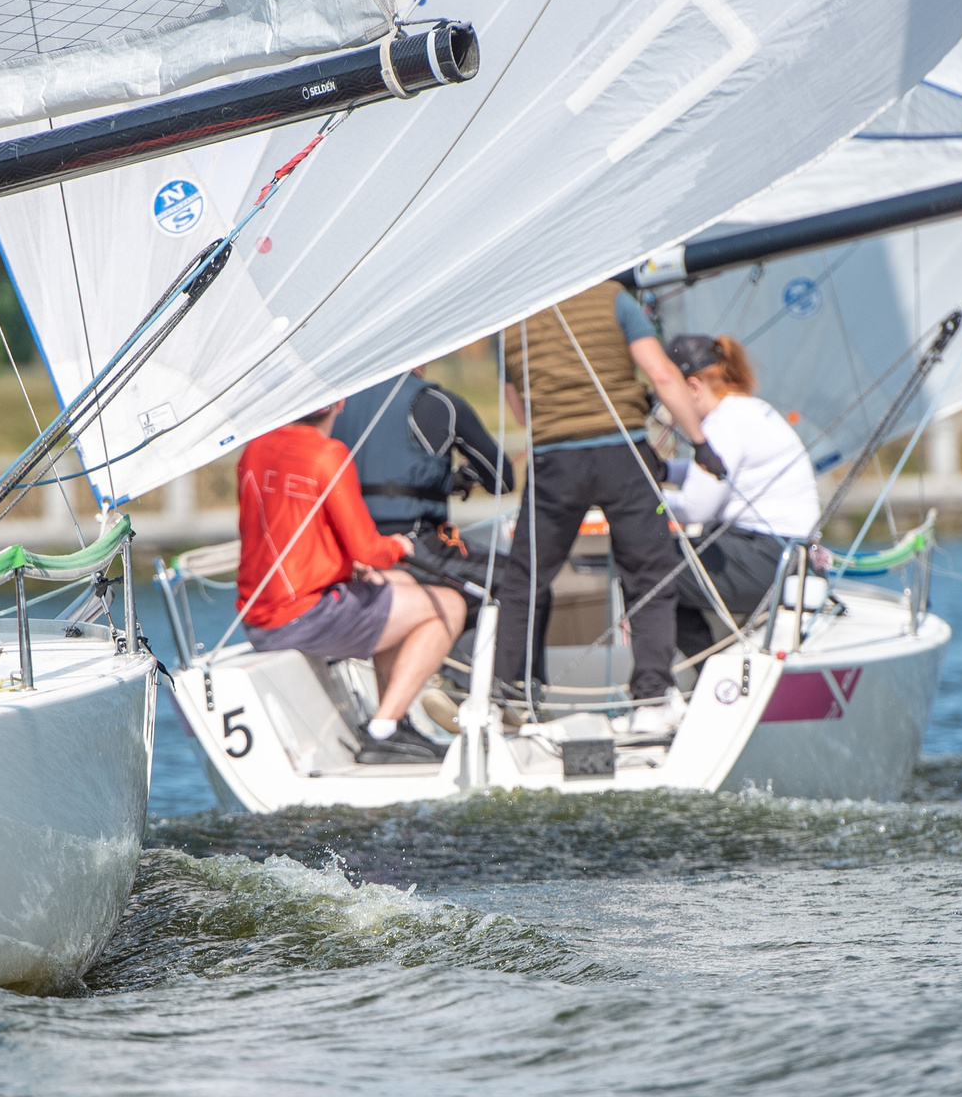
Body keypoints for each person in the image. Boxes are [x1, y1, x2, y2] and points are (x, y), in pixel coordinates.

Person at [492, 280, 725, 739]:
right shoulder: (614, 299)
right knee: (649, 575)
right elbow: (661, 375)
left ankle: (508, 698)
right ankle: (651, 699)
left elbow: (519, 411)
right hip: (621, 451)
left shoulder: (513, 319)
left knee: (526, 579)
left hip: (554, 460)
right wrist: (700, 443)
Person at [235, 400, 469, 765]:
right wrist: (399, 545)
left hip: (259, 619)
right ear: (339, 403)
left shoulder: (255, 448)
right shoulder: (328, 453)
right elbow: (369, 549)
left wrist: (347, 565)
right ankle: (383, 732)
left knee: (401, 585)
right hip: (305, 616)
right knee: (450, 606)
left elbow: (285, 529)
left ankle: (396, 722)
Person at [656, 333, 821, 662]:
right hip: (795, 559)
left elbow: (694, 509)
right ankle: (705, 663)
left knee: (644, 565)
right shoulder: (751, 409)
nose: (668, 408)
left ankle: (700, 670)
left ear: (692, 387)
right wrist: (664, 471)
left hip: (766, 561)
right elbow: (719, 473)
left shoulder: (722, 426)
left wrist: (648, 498)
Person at [326, 365, 512, 541]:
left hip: (347, 541)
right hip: (412, 537)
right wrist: (465, 476)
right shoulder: (438, 402)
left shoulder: (335, 403)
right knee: (502, 563)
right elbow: (503, 481)